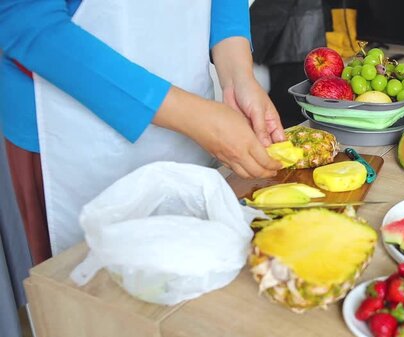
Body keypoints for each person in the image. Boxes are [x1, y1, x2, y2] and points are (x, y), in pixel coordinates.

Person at [0, 0, 285, 265]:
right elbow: (26, 23)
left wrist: (238, 76)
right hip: (69, 124)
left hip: (192, 106)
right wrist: (193, 115)